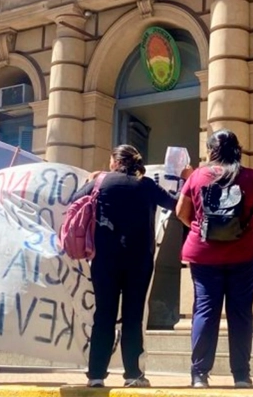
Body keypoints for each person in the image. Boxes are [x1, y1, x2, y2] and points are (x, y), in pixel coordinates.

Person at [176, 129, 253, 389]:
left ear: (211, 151)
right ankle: (241, 376)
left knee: (205, 311)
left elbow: (180, 212)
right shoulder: (250, 177)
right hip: (244, 253)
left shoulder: (197, 176)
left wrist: (200, 229)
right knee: (241, 313)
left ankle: (199, 375)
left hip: (203, 254)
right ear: (238, 150)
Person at [74, 145, 181, 388]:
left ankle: (96, 375)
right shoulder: (146, 185)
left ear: (114, 161)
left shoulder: (101, 182)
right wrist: (183, 179)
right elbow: (175, 205)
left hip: (104, 261)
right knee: (133, 316)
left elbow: (74, 201)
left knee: (104, 315)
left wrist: (92, 179)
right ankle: (133, 374)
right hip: (138, 261)